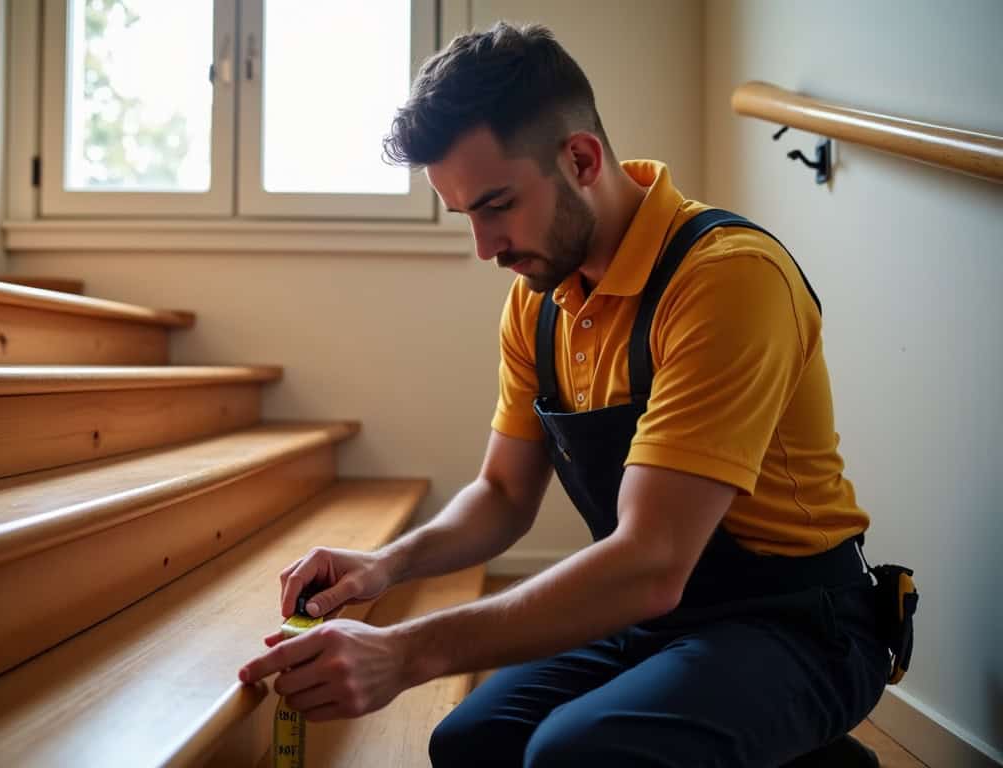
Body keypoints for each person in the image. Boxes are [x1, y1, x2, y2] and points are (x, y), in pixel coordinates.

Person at [238, 21, 907, 767]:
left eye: (496, 206)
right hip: (659, 617)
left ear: (581, 158)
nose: (484, 248)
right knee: (474, 744)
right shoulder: (541, 299)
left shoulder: (726, 279)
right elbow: (501, 493)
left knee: (580, 756)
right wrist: (386, 564)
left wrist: (404, 651)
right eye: (465, 217)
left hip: (802, 628)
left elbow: (652, 560)